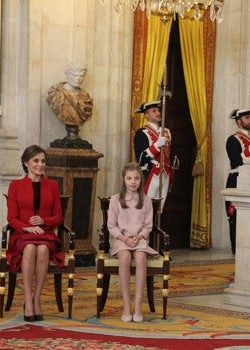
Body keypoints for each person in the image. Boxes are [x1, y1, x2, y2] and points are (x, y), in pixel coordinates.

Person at [6, 145, 66, 322]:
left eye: (43, 161)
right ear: (26, 163)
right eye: (36, 161)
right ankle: (28, 300)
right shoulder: (15, 185)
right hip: (23, 235)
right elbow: (11, 217)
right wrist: (27, 227)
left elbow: (58, 217)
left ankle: (37, 299)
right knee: (31, 248)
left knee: (42, 250)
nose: (40, 165)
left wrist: (44, 221)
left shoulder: (53, 185)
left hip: (46, 234)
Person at [107, 162, 158, 323]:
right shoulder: (115, 199)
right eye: (129, 178)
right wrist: (125, 239)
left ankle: (138, 305)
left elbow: (148, 226)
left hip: (139, 239)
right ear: (123, 180)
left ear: (140, 180)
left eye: (136, 178)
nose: (133, 182)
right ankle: (126, 306)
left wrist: (139, 237)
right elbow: (111, 226)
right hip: (121, 240)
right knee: (125, 258)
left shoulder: (146, 200)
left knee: (141, 258)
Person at [134, 100, 173, 211]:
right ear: (146, 115)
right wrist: (156, 146)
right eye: (154, 111)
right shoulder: (142, 133)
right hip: (151, 173)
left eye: (158, 110)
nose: (158, 113)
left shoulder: (166, 132)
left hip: (165, 174)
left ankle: (155, 228)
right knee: (146, 208)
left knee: (159, 209)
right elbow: (141, 159)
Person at [225, 107, 250, 254]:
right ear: (238, 121)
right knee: (235, 217)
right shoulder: (233, 140)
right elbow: (237, 161)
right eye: (247, 117)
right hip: (237, 179)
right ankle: (236, 249)